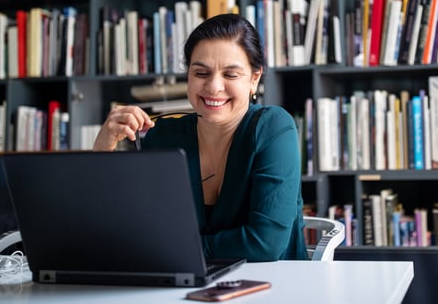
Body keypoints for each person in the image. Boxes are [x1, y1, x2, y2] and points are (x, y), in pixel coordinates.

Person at [93, 13, 308, 262]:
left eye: (230, 75)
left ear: (254, 79)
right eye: (201, 73)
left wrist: (174, 250)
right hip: (183, 286)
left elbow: (265, 243)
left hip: (276, 288)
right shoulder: (163, 135)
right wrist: (102, 148)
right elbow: (120, 227)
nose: (214, 87)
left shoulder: (274, 127)